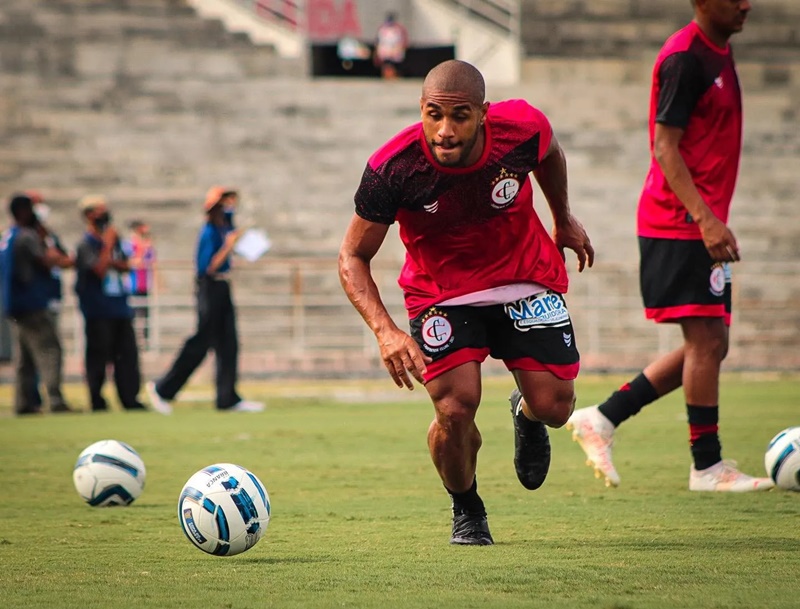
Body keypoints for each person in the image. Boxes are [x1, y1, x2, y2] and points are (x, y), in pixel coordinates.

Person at [338, 60, 594, 545]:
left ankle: (527, 413)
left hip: (524, 276)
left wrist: (563, 217)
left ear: (483, 114)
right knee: (455, 409)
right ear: (421, 110)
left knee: (556, 407)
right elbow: (352, 255)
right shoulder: (393, 167)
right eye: (434, 115)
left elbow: (552, 153)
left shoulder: (521, 129)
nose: (445, 130)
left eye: (459, 116)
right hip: (443, 293)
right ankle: (467, 507)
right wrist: (386, 331)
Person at [566, 0, 772, 493]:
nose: (746, 4)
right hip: (678, 222)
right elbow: (664, 145)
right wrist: (704, 219)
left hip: (696, 221)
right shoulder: (686, 58)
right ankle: (707, 465)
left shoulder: (718, 52)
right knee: (706, 343)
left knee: (710, 344)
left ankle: (604, 418)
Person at [146, 187, 264, 414]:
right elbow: (208, 267)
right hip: (209, 288)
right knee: (201, 341)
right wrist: (229, 245)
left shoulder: (224, 226)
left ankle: (227, 397)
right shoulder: (209, 231)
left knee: (229, 343)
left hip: (223, 285)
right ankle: (162, 389)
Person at [0, 193, 74, 415]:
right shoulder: (28, 236)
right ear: (24, 212)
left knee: (24, 357)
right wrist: (46, 237)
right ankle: (55, 399)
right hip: (32, 302)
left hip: (14, 305)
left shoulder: (8, 236)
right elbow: (48, 260)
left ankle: (24, 403)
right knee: (50, 350)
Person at [74, 194, 149, 412]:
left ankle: (130, 398)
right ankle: (97, 400)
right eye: (99, 210)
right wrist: (107, 245)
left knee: (127, 356)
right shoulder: (86, 243)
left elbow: (125, 265)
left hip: (119, 306)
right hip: (98, 308)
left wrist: (113, 251)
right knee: (98, 356)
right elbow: (98, 269)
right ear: (89, 215)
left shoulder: (113, 239)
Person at [122, 219, 157, 348]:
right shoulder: (128, 245)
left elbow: (153, 264)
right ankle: (130, 341)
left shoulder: (148, 246)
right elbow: (132, 263)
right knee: (133, 313)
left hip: (145, 284)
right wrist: (142, 249)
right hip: (132, 285)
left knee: (145, 313)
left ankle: (144, 341)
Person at [374, 12, 408, 79]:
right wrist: (378, 50)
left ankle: (393, 76)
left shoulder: (398, 29)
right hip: (385, 50)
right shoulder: (382, 29)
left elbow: (402, 40)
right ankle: (386, 76)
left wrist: (400, 48)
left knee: (394, 64)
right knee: (386, 64)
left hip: (395, 50)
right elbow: (378, 41)